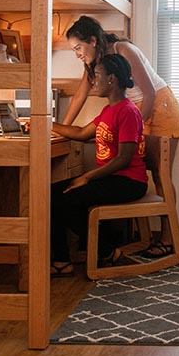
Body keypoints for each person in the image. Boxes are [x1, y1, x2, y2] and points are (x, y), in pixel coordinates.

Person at [62, 15, 179, 259]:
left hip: (159, 107)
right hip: (137, 110)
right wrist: (61, 129)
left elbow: (148, 93)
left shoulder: (122, 50)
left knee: (160, 174)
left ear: (93, 41)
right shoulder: (97, 66)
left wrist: (132, 132)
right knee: (137, 167)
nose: (76, 54)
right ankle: (148, 238)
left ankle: (169, 239)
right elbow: (78, 97)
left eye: (78, 48)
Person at [50, 54, 148, 276]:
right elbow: (82, 133)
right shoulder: (108, 110)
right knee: (53, 194)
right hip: (111, 178)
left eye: (96, 76)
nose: (93, 82)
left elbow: (124, 158)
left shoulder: (128, 111)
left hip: (129, 181)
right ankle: (61, 261)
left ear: (111, 79)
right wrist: (45, 123)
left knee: (65, 199)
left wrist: (87, 177)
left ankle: (108, 252)